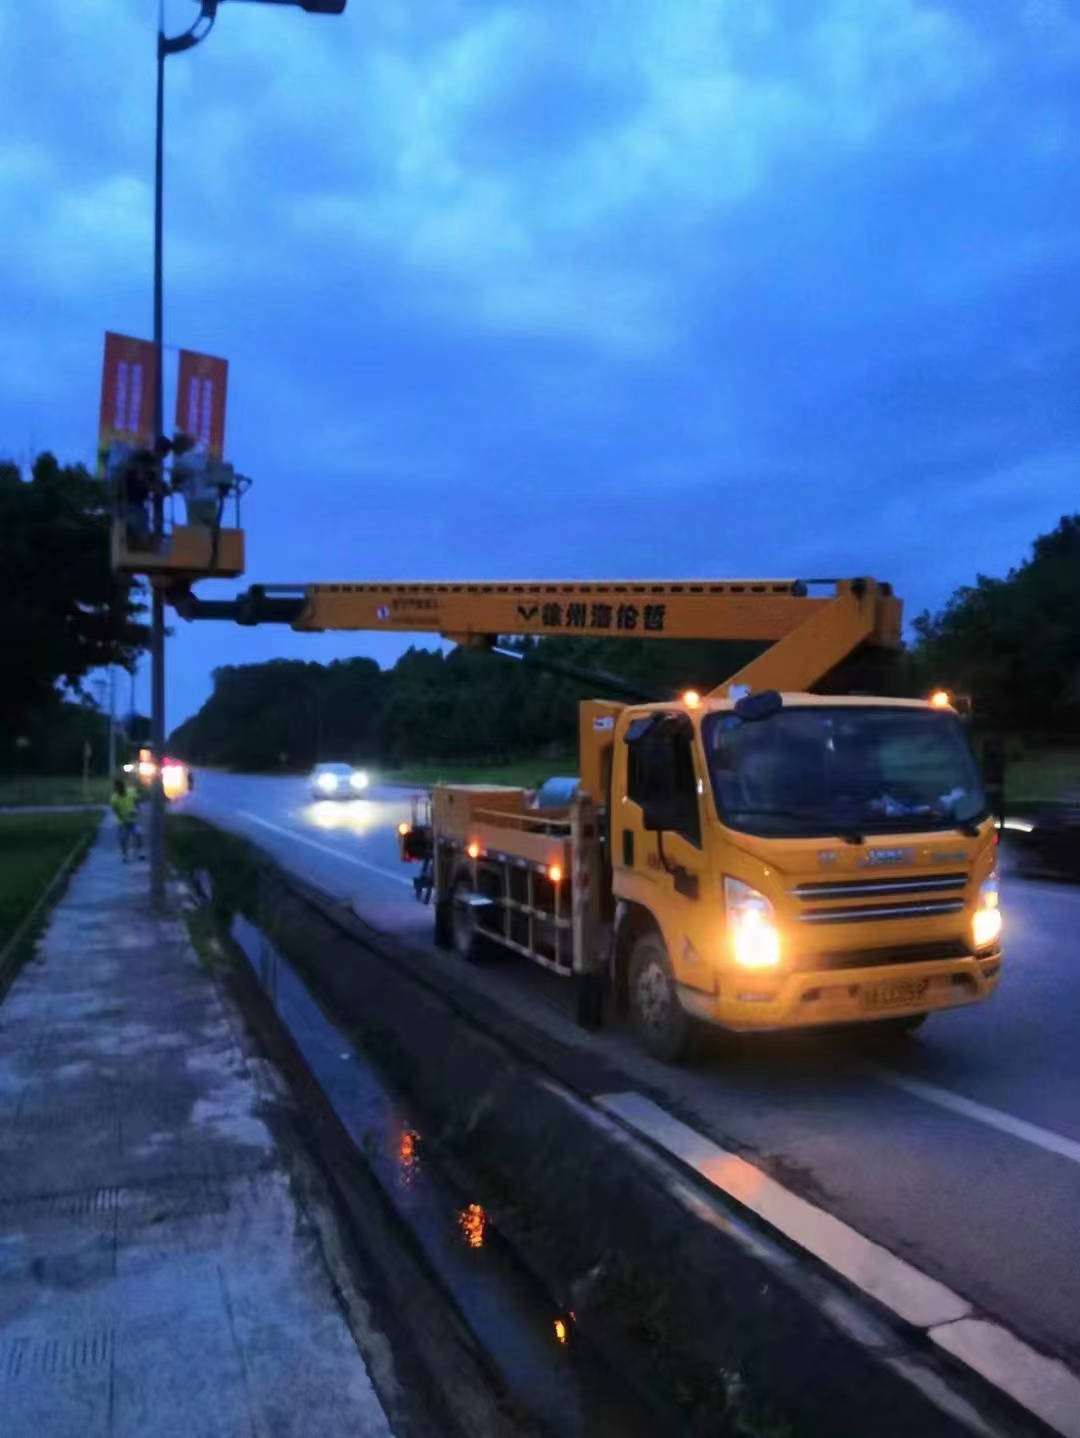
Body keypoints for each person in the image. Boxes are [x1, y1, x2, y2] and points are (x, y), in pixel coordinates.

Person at [110, 778, 145, 863]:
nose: (118, 791)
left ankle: (140, 852)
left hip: (134, 819)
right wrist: (124, 819)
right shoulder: (114, 798)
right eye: (116, 789)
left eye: (120, 788)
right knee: (123, 838)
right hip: (122, 821)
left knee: (139, 834)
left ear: (123, 787)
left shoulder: (131, 792)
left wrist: (137, 810)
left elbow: (137, 800)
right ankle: (125, 855)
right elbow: (116, 811)